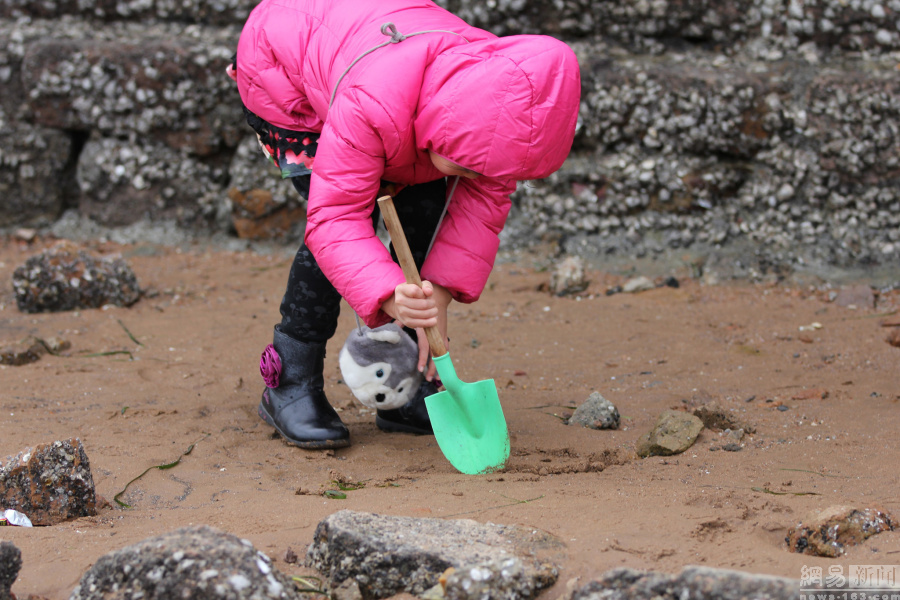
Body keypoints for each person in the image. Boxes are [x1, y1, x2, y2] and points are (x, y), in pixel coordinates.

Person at [230, 0, 581, 449]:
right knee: (345, 234)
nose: (476, 177)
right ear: (446, 122)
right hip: (285, 73)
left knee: (427, 207)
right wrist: (387, 294)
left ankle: (401, 385)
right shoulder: (369, 104)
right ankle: (290, 378)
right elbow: (334, 218)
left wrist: (439, 291)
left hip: (389, 78)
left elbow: (477, 210)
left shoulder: (500, 98)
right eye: (470, 166)